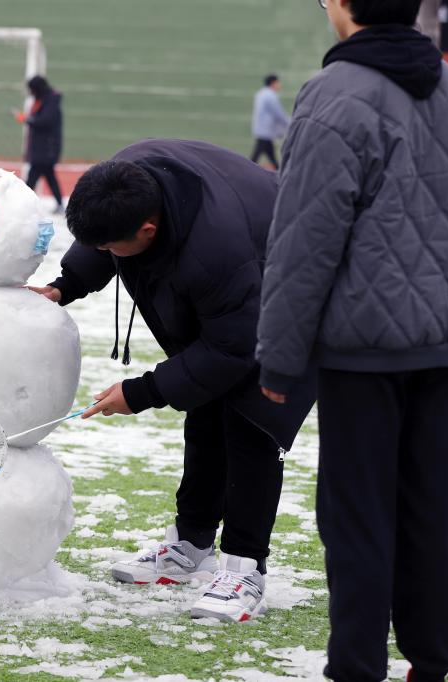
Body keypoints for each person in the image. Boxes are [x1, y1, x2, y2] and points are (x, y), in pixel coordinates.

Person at [256, 0, 448, 679]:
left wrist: (280, 359)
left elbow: (304, 239)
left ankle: (356, 666)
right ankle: (431, 659)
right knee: (428, 506)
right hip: (442, 342)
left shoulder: (334, 92)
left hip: (363, 349)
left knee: (356, 515)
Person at [30, 139, 315, 623]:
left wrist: (142, 392)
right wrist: (65, 285)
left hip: (299, 291)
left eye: (111, 247)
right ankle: (191, 545)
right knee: (204, 413)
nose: (106, 253)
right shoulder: (126, 179)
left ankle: (245, 570)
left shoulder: (217, 251)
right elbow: (104, 237)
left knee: (251, 424)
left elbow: (232, 348)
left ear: (149, 229)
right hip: (239, 295)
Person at [14, 75, 64, 212]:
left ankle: (21, 205)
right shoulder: (44, 99)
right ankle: (59, 204)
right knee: (49, 176)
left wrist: (26, 119)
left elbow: (44, 122)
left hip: (46, 148)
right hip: (42, 147)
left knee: (33, 176)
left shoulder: (50, 101)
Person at [250, 74, 290, 170]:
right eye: (278, 83)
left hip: (261, 129)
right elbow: (278, 113)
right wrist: (290, 123)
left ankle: (278, 171)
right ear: (273, 83)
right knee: (258, 155)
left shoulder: (261, 93)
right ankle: (247, 169)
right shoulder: (270, 96)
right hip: (265, 130)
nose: (279, 85)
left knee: (268, 154)